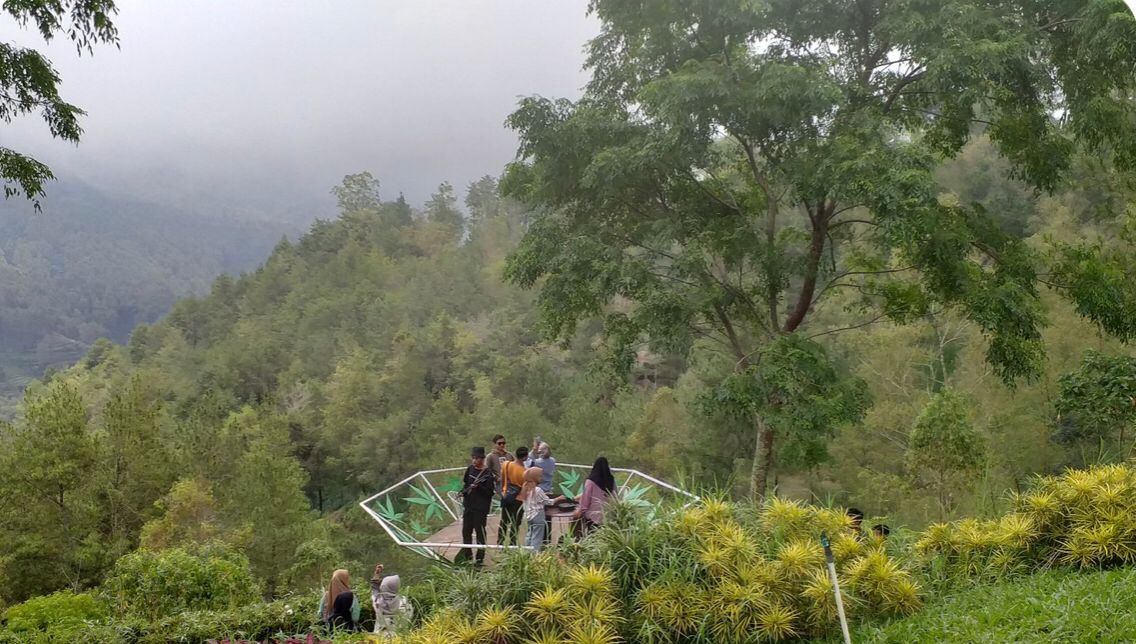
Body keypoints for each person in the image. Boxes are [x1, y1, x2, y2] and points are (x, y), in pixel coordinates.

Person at [455, 446, 495, 565]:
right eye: (473, 458)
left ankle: (479, 558)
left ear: (482, 459)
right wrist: (463, 491)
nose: (474, 460)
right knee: (466, 531)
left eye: (476, 458)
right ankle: (467, 556)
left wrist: (479, 487)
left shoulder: (487, 474)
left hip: (480, 508)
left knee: (480, 532)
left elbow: (490, 492)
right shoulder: (470, 469)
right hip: (469, 506)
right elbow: (467, 484)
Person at [572, 456, 616, 540]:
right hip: (608, 516)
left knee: (590, 537)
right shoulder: (611, 480)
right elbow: (615, 496)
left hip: (593, 518)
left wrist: (580, 510)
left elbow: (586, 499)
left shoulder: (591, 481)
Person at [520, 466, 562, 551]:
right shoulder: (538, 490)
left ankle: (526, 552)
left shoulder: (525, 488)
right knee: (537, 537)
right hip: (537, 515)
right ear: (535, 478)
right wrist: (559, 498)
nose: (542, 478)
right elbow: (548, 502)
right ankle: (535, 555)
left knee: (530, 534)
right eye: (540, 476)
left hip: (528, 515)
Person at [527, 441, 557, 545]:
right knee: (548, 519)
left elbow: (528, 461)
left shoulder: (538, 462)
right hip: (548, 490)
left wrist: (534, 449)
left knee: (534, 526)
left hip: (539, 491)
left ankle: (533, 546)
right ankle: (547, 541)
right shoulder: (552, 461)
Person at [370, 563, 412, 638]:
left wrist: (377, 573)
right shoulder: (404, 602)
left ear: (383, 587)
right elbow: (409, 617)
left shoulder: (378, 602)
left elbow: (374, 589)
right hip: (399, 638)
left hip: (380, 638)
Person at [498, 445, 528, 546]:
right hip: (518, 499)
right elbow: (525, 487)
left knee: (504, 521)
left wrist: (503, 490)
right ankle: (512, 543)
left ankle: (500, 542)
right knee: (515, 523)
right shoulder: (524, 472)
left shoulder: (506, 464)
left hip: (506, 495)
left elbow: (502, 478)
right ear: (525, 457)